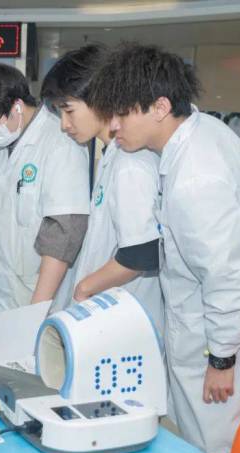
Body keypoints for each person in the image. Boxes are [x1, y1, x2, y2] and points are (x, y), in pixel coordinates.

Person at [96, 43, 240, 453]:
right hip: (229, 330)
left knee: (221, 452)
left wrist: (222, 360)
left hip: (223, 344)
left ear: (160, 107)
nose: (114, 126)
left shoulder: (194, 179)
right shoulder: (204, 132)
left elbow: (229, 279)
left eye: (121, 114)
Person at [41, 45, 163, 329]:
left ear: (99, 98)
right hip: (109, 318)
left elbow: (141, 252)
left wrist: (85, 288)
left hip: (125, 322)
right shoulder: (113, 156)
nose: (64, 124)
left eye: (69, 111)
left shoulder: (130, 163)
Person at [0, 63, 89, 312]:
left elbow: (64, 233)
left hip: (34, 295)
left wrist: (35, 311)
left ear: (16, 106)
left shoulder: (60, 144)